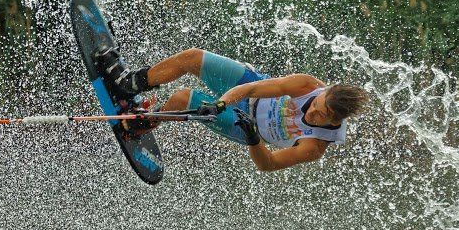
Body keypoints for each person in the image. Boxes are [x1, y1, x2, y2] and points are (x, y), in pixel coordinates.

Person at [95, 47, 368, 172]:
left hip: (248, 126)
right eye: (316, 106)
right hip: (249, 88)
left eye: (320, 117)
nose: (312, 114)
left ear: (335, 120)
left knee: (182, 99)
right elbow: (250, 89)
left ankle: (145, 122)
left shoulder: (314, 146)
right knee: (193, 57)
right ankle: (130, 82)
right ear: (324, 92)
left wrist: (252, 138)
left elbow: (268, 164)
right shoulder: (306, 85)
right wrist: (222, 103)